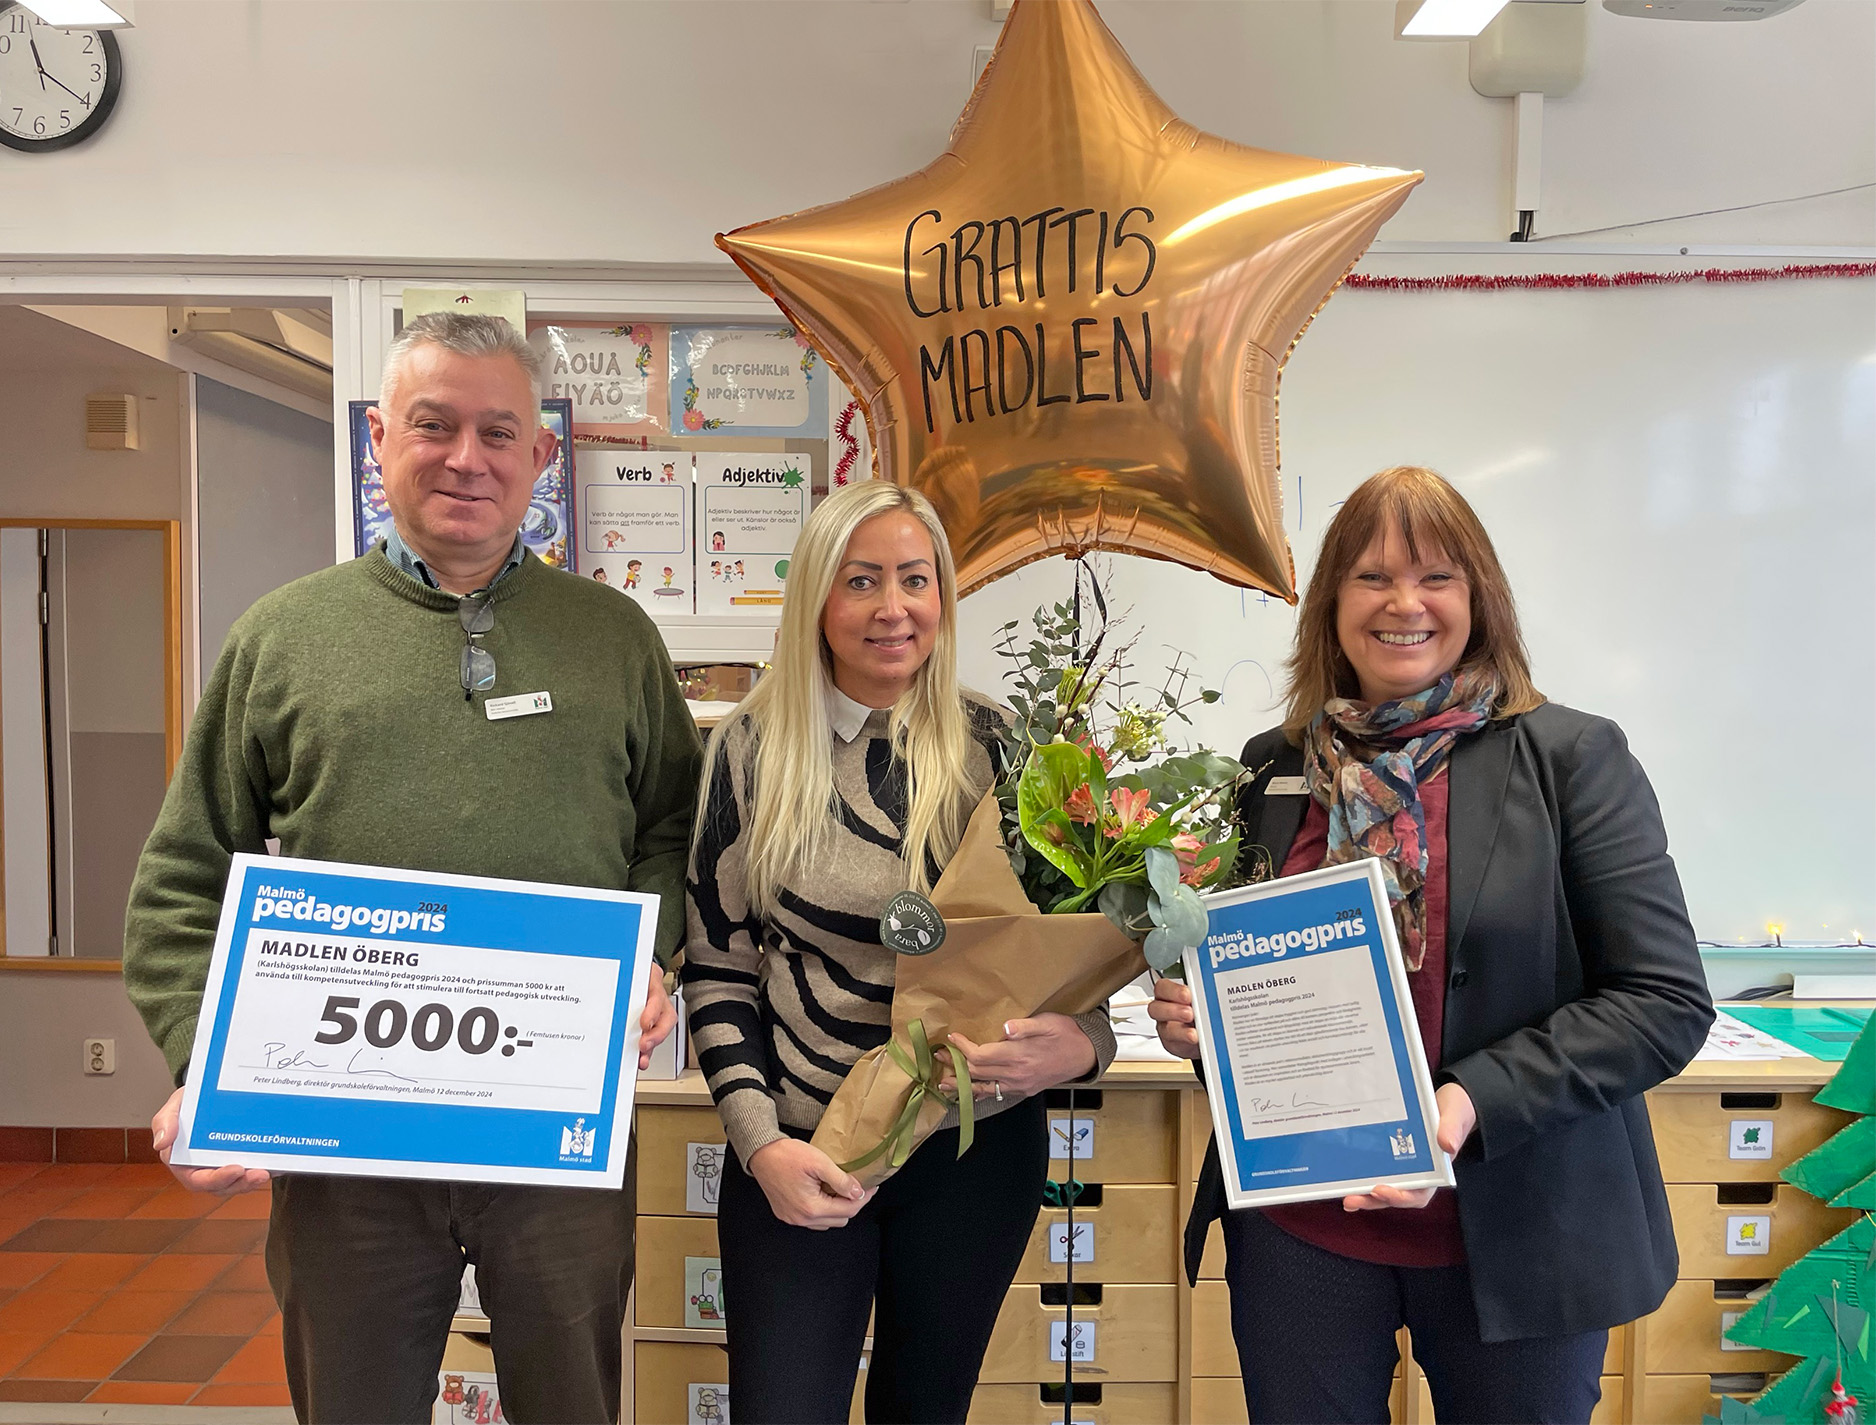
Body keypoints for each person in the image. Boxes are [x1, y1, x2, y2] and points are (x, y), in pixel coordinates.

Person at [123, 312, 701, 1425]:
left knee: (574, 1401)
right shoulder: (284, 637)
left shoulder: (614, 637)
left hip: (555, 1132)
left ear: (542, 456)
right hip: (347, 1147)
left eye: (499, 431)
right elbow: (187, 875)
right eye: (433, 425)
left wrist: (655, 951)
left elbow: (672, 831)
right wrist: (211, 1063)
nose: (465, 458)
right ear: (378, 439)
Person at [1149, 466, 1713, 1425]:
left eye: (1435, 576)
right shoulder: (1274, 769)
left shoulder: (1572, 758)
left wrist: (1461, 1106)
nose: (1402, 603)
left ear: (1478, 599)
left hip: (1516, 1230)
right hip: (1302, 1237)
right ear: (1332, 605)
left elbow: (1663, 1001)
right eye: (1370, 577)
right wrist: (1206, 1019)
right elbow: (1248, 967)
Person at [681, 481, 1117, 1424]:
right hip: (805, 1151)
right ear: (816, 601)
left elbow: (1074, 961)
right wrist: (762, 1149)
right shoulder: (751, 750)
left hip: (973, 1147)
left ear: (943, 597)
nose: (892, 608)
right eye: (861, 580)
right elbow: (718, 968)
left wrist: (1081, 1045)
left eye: (914, 579)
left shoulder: (1003, 747)